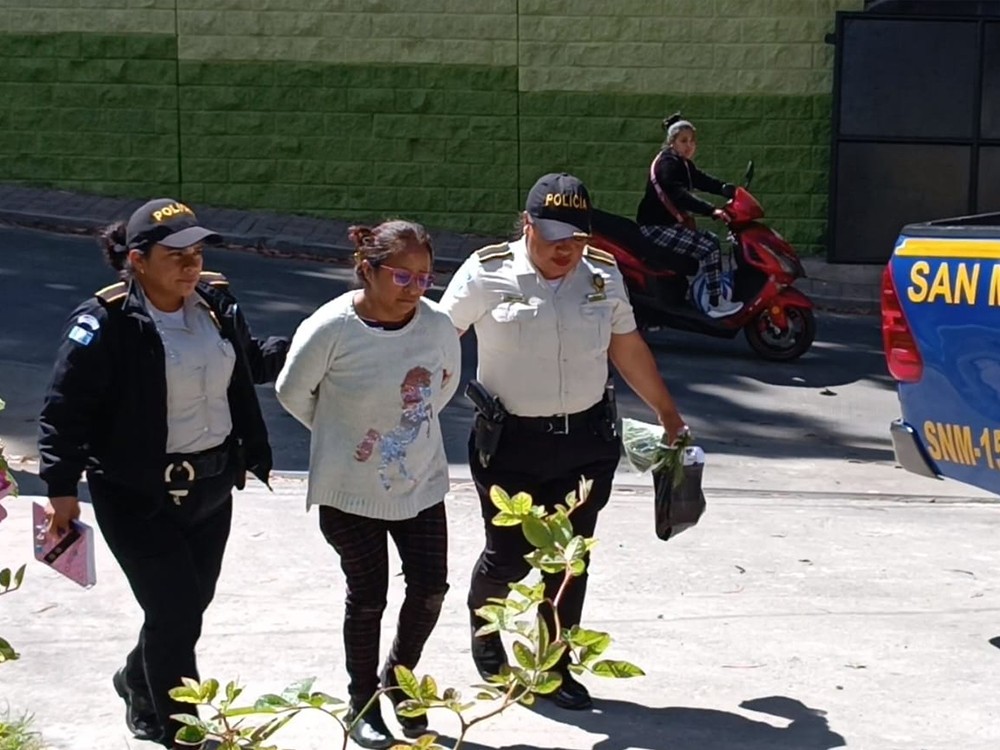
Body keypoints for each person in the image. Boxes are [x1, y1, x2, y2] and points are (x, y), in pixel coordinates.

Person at [37, 200, 289, 750]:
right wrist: (60, 490)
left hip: (212, 487)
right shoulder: (105, 322)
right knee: (174, 611)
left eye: (196, 253)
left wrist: (316, 345)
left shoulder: (216, 305)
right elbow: (65, 409)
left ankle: (138, 678)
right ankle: (183, 730)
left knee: (187, 605)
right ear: (138, 260)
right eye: (175, 255)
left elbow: (249, 362)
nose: (190, 265)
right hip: (136, 494)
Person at [438, 173, 688, 711]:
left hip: (586, 442)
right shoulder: (488, 274)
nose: (565, 249)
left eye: (575, 237)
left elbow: (626, 346)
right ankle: (486, 631)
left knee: (568, 560)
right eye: (553, 236)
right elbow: (436, 338)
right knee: (508, 558)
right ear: (526, 225)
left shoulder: (602, 275)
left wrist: (667, 413)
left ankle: (554, 664)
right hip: (510, 445)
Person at [275, 220, 461, 749]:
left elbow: (441, 388)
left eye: (425, 278)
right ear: (367, 271)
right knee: (368, 597)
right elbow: (293, 392)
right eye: (403, 276)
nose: (415, 289)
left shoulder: (438, 326)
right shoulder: (332, 327)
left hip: (420, 482)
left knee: (429, 590)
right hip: (347, 488)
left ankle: (398, 685)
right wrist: (341, 434)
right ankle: (362, 703)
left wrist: (401, 438)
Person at [636, 113, 743, 318]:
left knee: (711, 239)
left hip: (667, 225)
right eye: (683, 141)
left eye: (692, 141)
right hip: (655, 228)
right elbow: (679, 196)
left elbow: (700, 179)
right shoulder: (667, 164)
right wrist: (712, 210)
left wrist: (725, 189)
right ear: (672, 142)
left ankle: (704, 292)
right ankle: (714, 304)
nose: (689, 145)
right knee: (709, 248)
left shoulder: (682, 163)